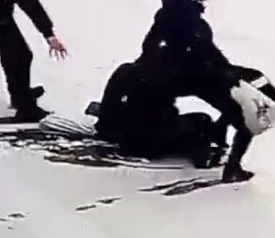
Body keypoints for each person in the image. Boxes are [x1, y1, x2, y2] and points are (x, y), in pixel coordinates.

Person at [135, 0, 275, 182]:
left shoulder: (166, 15)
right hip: (195, 75)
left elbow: (154, 47)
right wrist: (229, 74)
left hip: (175, 74)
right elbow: (207, 55)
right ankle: (232, 165)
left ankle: (219, 131)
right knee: (247, 113)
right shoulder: (191, 22)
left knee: (245, 88)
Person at [92, 61, 225, 168]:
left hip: (116, 131)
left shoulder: (126, 70)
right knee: (202, 121)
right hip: (142, 144)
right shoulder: (160, 81)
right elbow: (164, 120)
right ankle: (203, 158)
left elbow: (110, 105)